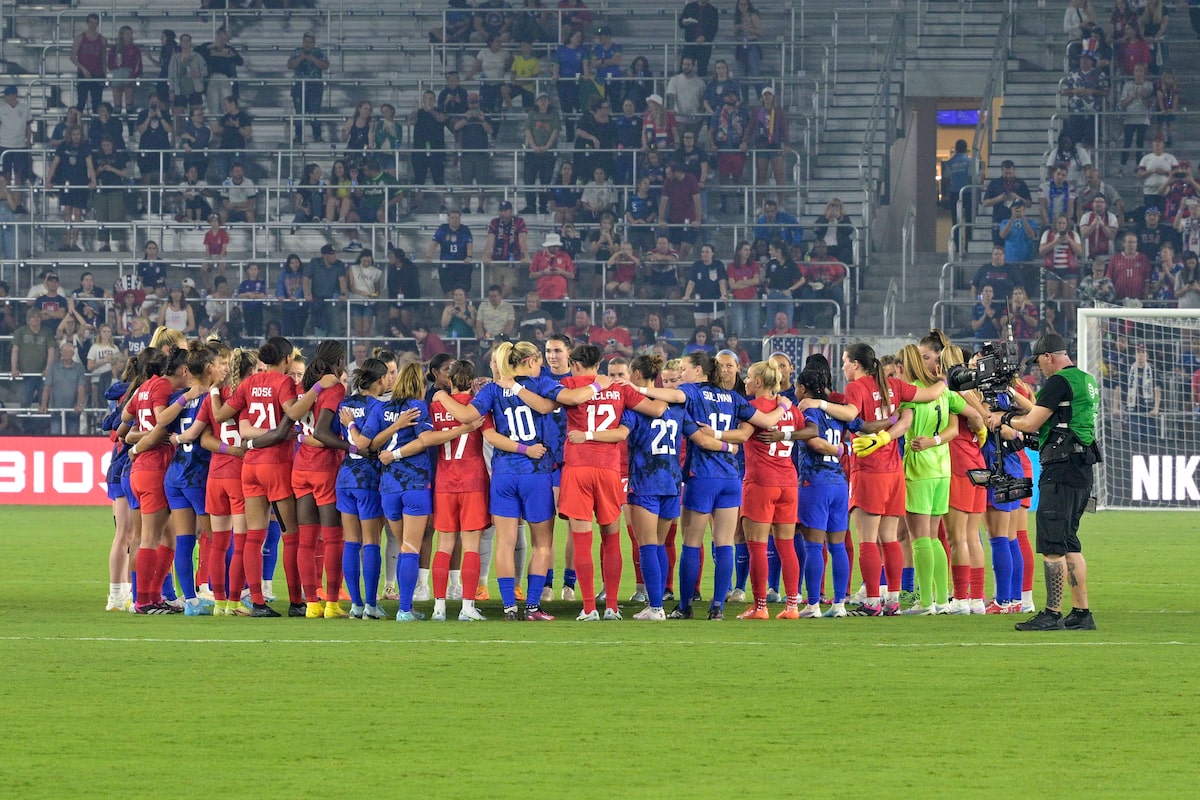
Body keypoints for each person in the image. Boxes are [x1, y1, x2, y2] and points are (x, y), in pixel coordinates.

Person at [989, 333, 1098, 631]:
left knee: (1052, 545)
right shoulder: (1085, 380)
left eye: (1039, 363)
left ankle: (1052, 613)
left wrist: (1005, 418)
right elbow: (1052, 419)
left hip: (1061, 470)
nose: (1039, 369)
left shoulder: (1058, 381)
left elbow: (1031, 422)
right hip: (1081, 467)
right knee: (1069, 541)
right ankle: (1081, 612)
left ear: (1049, 356)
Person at [45, 125, 94, 253]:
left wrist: (93, 180)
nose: (76, 137)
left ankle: (74, 242)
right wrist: (48, 180)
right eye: (73, 134)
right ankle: (66, 241)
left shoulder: (85, 146)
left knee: (78, 213)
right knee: (67, 211)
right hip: (66, 182)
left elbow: (90, 164)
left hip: (80, 183)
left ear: (81, 135)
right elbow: (55, 163)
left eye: (78, 134)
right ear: (69, 135)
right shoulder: (63, 146)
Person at [744, 87, 788, 201]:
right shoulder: (758, 111)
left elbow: (784, 128)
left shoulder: (778, 111)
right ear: (762, 97)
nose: (767, 97)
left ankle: (781, 203)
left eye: (769, 95)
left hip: (775, 145)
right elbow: (750, 127)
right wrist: (745, 141)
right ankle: (759, 203)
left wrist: (786, 143)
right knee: (761, 176)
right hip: (761, 146)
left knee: (779, 175)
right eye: (765, 95)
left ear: (773, 97)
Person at [521, 93, 560, 215]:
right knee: (529, 180)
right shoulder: (532, 114)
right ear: (536, 102)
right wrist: (533, 146)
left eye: (545, 99)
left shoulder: (554, 114)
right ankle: (530, 206)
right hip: (532, 153)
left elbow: (556, 130)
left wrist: (547, 146)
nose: (543, 102)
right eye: (540, 100)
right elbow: (527, 130)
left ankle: (543, 206)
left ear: (549, 102)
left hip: (548, 153)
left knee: (545, 181)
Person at [288, 33, 329, 145]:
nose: (307, 44)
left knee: (314, 113)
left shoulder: (319, 52)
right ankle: (298, 136)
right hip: (299, 88)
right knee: (299, 113)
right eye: (305, 42)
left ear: (314, 43)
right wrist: (301, 58)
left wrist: (312, 59)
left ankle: (317, 135)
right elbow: (290, 65)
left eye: (310, 42)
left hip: (314, 88)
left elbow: (325, 66)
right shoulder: (297, 52)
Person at [982, 159, 1034, 246]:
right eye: (1006, 174)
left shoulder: (1021, 184)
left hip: (1016, 222)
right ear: (1002, 171)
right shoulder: (994, 184)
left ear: (1014, 171)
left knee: (1014, 247)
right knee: (998, 246)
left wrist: (1018, 197)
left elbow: (1029, 204)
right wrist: (998, 199)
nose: (1008, 176)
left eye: (1010, 173)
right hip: (999, 220)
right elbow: (985, 203)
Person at [196, 26, 243, 121]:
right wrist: (212, 46)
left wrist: (231, 55)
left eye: (225, 39)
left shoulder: (229, 49)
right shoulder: (207, 47)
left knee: (228, 104)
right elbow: (196, 52)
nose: (222, 41)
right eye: (220, 38)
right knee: (213, 108)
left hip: (225, 78)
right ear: (216, 36)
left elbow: (240, 61)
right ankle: (215, 130)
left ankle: (227, 127)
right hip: (211, 79)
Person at [427, 210, 475, 296]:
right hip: (447, 266)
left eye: (457, 218)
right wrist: (429, 256)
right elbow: (434, 243)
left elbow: (469, 244)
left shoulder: (465, 230)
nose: (455, 220)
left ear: (460, 219)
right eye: (452, 218)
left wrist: (469, 256)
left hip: (462, 266)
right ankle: (448, 308)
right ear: (448, 219)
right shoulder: (442, 229)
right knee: (448, 293)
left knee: (462, 293)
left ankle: (462, 309)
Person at [70, 13, 107, 114]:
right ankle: (77, 126)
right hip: (83, 74)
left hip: (98, 74)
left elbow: (103, 59)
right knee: (81, 101)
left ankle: (95, 127)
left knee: (97, 103)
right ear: (87, 23)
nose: (93, 25)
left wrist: (104, 76)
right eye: (91, 22)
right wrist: (83, 68)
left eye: (95, 23)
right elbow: (72, 57)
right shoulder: (80, 38)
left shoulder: (102, 40)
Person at [944, 139, 974, 254]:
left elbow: (946, 180)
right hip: (968, 193)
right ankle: (968, 245)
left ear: (955, 149)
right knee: (969, 221)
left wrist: (946, 195)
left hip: (954, 194)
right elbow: (973, 177)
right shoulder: (970, 162)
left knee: (956, 222)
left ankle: (957, 246)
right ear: (966, 149)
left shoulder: (950, 163)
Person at [0, 85, 33, 186]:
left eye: (8, 95)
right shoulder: (1, 108)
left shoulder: (24, 107)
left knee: (19, 173)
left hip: (20, 144)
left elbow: (28, 127)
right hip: (4, 144)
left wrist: (28, 141)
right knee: (6, 173)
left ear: (14, 95)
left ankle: (18, 198)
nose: (5, 97)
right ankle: (7, 197)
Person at [167, 33, 206, 116]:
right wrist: (171, 90)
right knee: (178, 115)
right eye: (183, 41)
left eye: (188, 40)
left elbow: (205, 71)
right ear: (180, 43)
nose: (186, 43)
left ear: (191, 43)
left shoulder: (197, 56)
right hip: (179, 90)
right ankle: (179, 129)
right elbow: (171, 75)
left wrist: (198, 74)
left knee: (196, 114)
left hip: (195, 89)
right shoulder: (175, 58)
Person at [678, 0, 719, 76]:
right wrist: (684, 22)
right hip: (690, 44)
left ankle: (701, 87)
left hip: (704, 46)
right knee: (684, 69)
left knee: (702, 71)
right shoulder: (689, 7)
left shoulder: (712, 10)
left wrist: (705, 37)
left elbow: (714, 28)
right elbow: (680, 23)